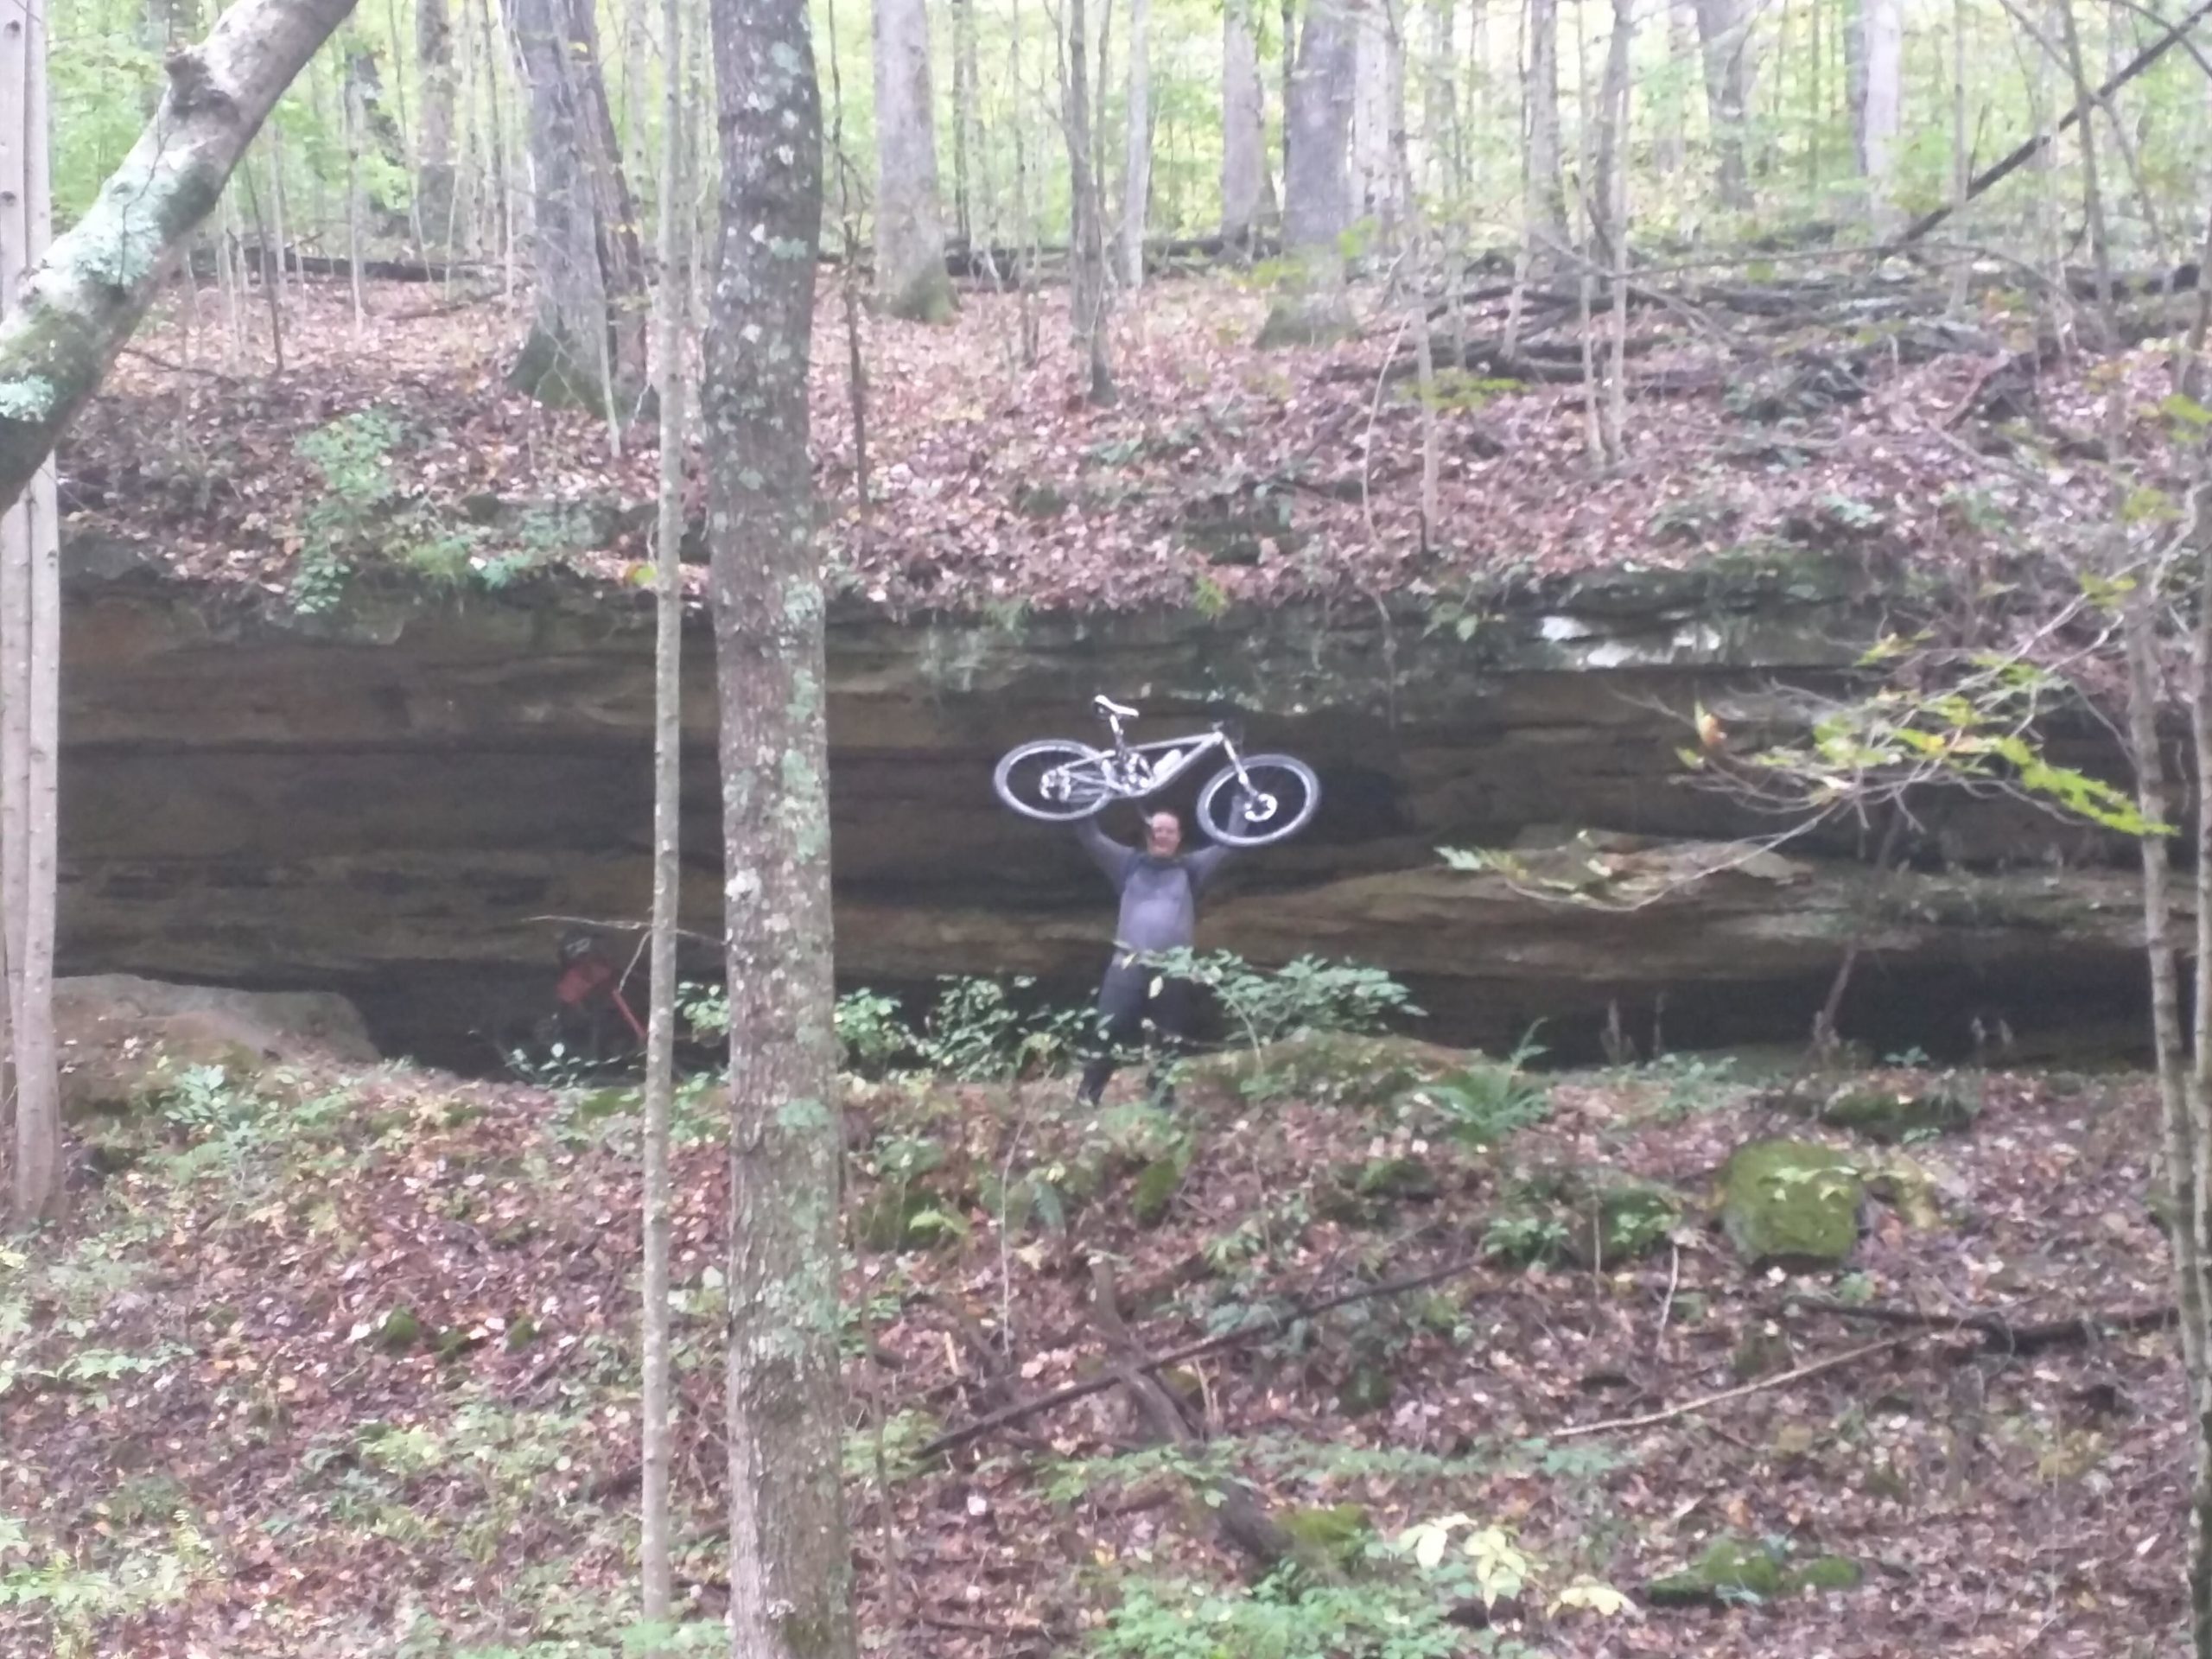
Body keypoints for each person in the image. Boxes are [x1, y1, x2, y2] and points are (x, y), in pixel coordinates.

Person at [1071, 804, 1244, 1107]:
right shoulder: (1127, 863)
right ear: (1147, 835)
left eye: (1169, 830)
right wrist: (1077, 799)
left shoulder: (1190, 868)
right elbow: (1091, 837)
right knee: (1108, 1031)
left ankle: (1161, 1103)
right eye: (1156, 829)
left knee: (1168, 1039)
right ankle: (1087, 1098)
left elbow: (1228, 843)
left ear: (1178, 838)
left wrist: (1242, 800)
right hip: (1127, 964)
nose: (1162, 835)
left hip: (1173, 969)